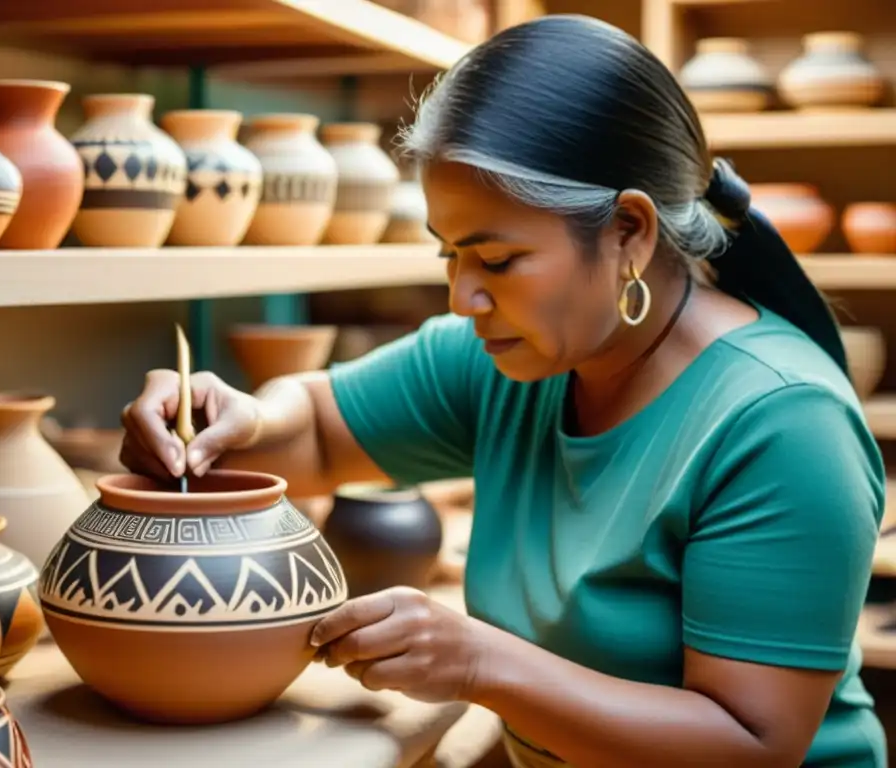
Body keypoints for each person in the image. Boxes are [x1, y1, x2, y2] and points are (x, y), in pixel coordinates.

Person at [119, 14, 886, 768]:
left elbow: (752, 745)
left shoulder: (783, 424)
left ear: (628, 231)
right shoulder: (513, 359)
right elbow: (318, 429)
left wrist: (485, 666)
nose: (462, 298)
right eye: (451, 254)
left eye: (497, 258)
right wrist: (235, 417)